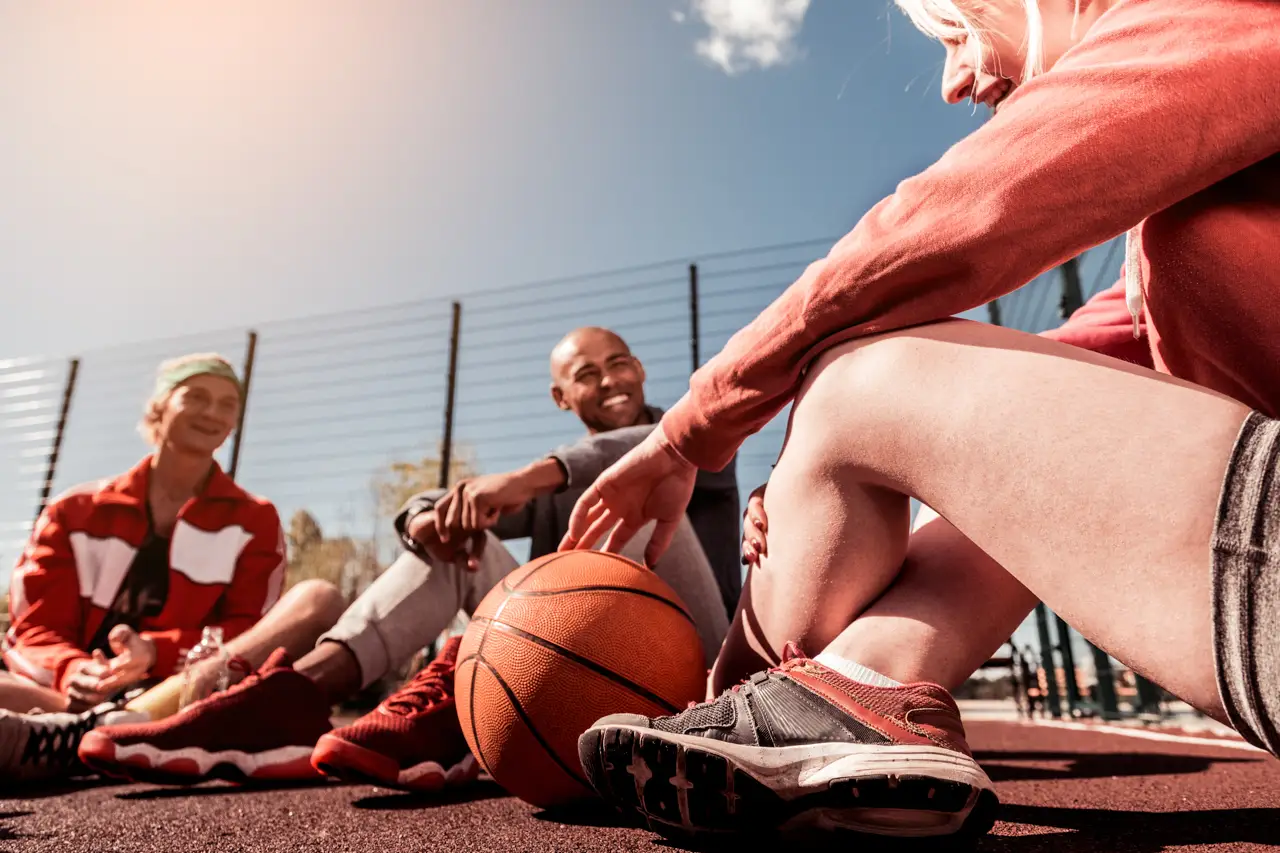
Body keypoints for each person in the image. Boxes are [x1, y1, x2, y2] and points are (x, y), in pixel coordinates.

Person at [565, 0, 1280, 841]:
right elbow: (1032, 417)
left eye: (952, 27)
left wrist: (688, 431)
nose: (951, 80)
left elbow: (950, 228)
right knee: (948, 459)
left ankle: (774, 695)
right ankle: (852, 691)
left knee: (854, 380)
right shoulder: (1163, 263)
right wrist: (835, 469)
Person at [79, 327, 735, 791]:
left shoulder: (697, 435)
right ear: (562, 399)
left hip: (699, 665)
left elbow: (653, 446)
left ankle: (461, 695)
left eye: (619, 363)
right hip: (590, 672)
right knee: (463, 538)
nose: (610, 378)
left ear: (642, 369)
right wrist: (429, 514)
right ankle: (295, 698)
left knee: (637, 494)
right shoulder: (559, 483)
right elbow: (459, 505)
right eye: (586, 374)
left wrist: (524, 478)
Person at [0, 353, 344, 783]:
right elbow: (32, 632)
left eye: (227, 404)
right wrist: (75, 672)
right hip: (61, 695)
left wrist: (154, 654)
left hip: (183, 693)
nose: (212, 412)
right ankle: (118, 732)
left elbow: (250, 631)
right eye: (196, 396)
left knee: (318, 598)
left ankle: (106, 732)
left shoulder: (256, 519)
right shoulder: (73, 510)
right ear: (160, 406)